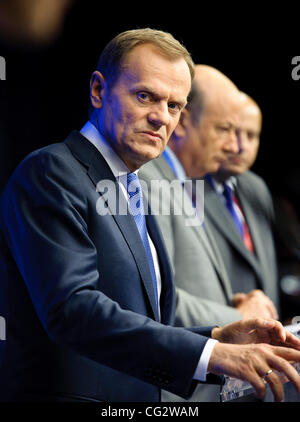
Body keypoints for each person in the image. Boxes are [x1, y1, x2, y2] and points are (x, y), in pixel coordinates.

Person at [0, 29, 299, 403]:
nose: (161, 118)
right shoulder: (51, 172)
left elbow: (145, 321)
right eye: (145, 96)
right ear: (98, 91)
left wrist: (217, 338)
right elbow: (72, 309)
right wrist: (211, 355)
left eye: (175, 106)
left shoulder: (135, 186)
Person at [139, 67, 278, 402]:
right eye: (224, 129)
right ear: (184, 123)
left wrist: (235, 306)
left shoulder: (188, 183)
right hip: (168, 393)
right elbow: (151, 297)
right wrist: (240, 317)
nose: (233, 145)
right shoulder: (147, 180)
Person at [204, 92, 279, 315]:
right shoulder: (184, 185)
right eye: (233, 132)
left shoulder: (256, 187)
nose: (240, 146)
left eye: (251, 136)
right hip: (218, 330)